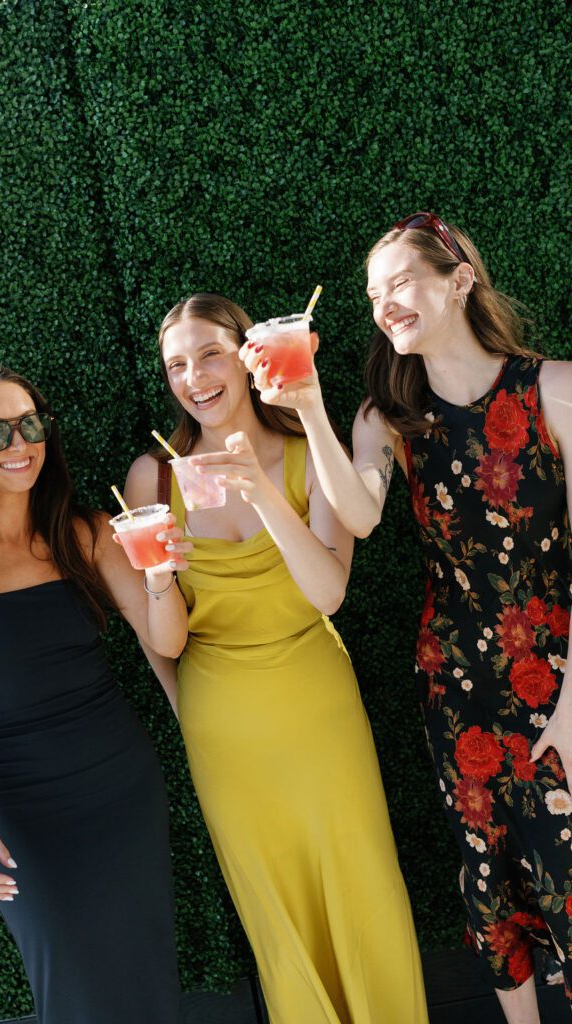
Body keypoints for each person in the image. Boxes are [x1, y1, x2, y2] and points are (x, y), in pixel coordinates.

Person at [241, 214, 572, 1022]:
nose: (382, 303)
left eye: (398, 281)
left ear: (459, 279)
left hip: (562, 675)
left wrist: (571, 702)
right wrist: (312, 409)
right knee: (488, 876)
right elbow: (354, 516)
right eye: (370, 293)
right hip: (455, 685)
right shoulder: (381, 418)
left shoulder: (554, 389)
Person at [124, 294, 429, 1024]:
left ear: (246, 354)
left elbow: (327, 591)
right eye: (175, 365)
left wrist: (260, 493)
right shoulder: (152, 479)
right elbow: (166, 640)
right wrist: (159, 579)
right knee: (275, 912)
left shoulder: (305, 453)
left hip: (316, 707)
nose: (193, 377)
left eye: (208, 354)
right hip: (224, 731)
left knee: (361, 890)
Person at [0, 364, 191, 1024]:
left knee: (146, 983)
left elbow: (165, 642)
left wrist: (158, 577)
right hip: (22, 815)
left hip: (122, 792)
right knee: (73, 996)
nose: (19, 444)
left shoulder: (85, 535)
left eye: (29, 425)